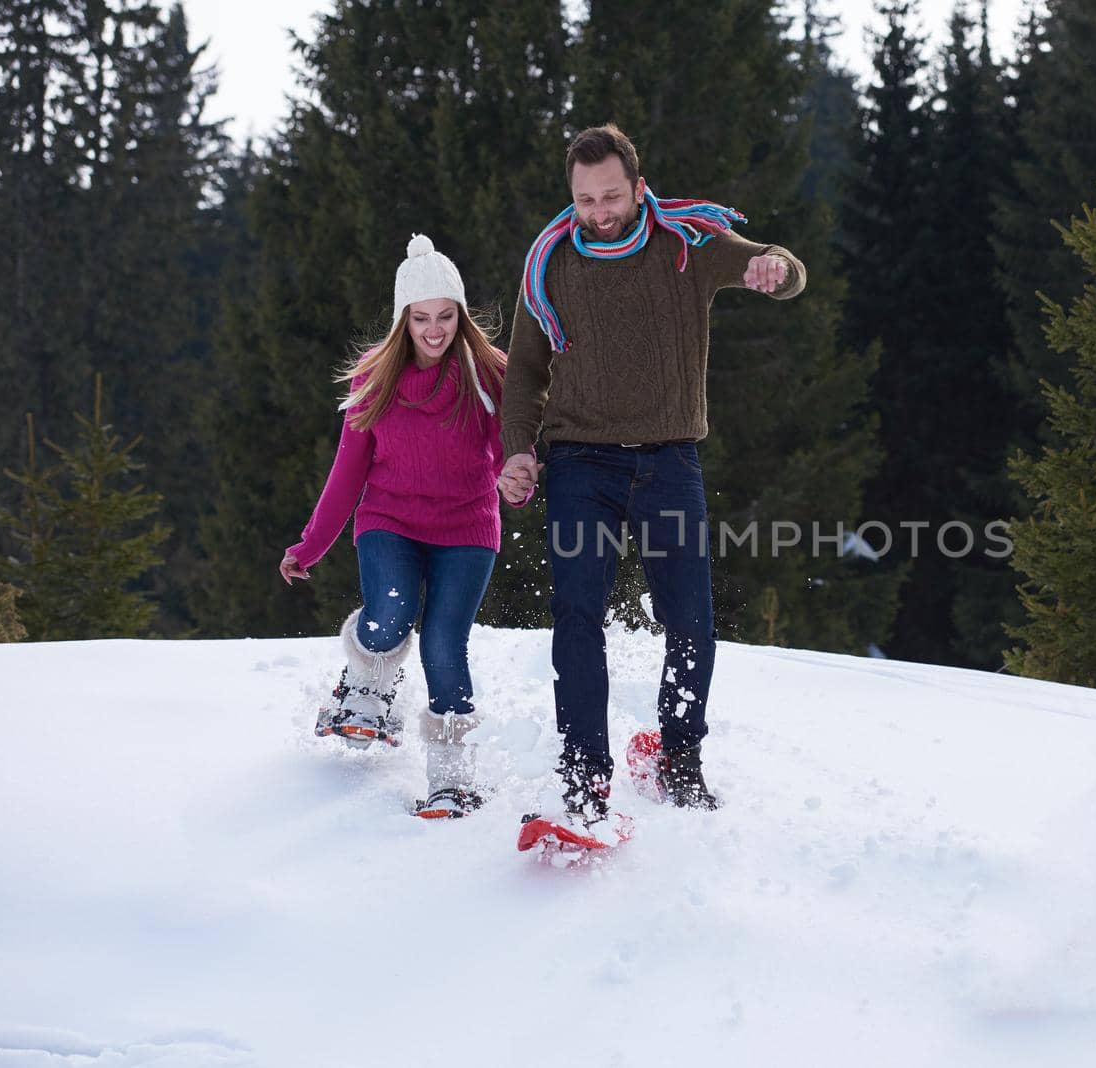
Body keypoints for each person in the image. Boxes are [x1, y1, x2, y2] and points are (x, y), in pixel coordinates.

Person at [496, 124, 806, 825]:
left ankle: (681, 760)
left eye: (611, 196)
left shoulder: (685, 246)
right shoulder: (551, 265)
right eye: (584, 200)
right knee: (577, 616)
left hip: (669, 461)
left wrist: (776, 272)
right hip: (580, 463)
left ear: (638, 189)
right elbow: (523, 372)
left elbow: (778, 265)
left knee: (690, 619)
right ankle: (585, 779)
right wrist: (519, 450)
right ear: (570, 197)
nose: (599, 213)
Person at [281, 233, 520, 819]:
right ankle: (364, 687)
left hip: (466, 527)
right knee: (388, 613)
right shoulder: (377, 379)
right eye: (421, 319)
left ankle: (452, 777)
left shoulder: (490, 376)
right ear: (402, 321)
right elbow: (347, 475)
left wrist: (518, 477)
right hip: (389, 519)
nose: (434, 330)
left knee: (443, 643)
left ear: (460, 316)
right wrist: (310, 545)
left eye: (445, 317)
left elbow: (506, 451)